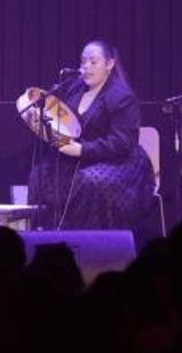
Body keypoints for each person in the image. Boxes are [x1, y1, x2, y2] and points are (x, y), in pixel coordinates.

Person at [28, 40, 154, 229]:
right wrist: (41, 122)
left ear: (109, 64)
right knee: (39, 175)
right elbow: (64, 125)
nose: (86, 67)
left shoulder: (122, 97)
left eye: (93, 62)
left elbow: (123, 142)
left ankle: (88, 246)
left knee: (89, 182)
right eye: (83, 61)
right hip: (82, 159)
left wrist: (82, 149)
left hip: (118, 161)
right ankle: (45, 238)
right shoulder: (75, 89)